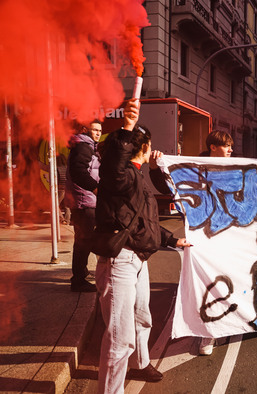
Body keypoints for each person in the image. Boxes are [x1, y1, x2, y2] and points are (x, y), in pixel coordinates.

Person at [94, 99, 191, 392]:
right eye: (149, 144)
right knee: (119, 336)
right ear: (144, 146)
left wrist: (172, 239)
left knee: (141, 317)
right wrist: (126, 128)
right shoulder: (119, 177)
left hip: (138, 259)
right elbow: (112, 169)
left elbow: (144, 223)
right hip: (120, 261)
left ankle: (141, 363)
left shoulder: (136, 177)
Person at [196, 129, 234, 356]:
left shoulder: (237, 166)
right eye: (226, 146)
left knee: (227, 279)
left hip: (228, 236)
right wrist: (155, 168)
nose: (231, 150)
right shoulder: (194, 167)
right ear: (212, 147)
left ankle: (227, 322)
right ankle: (207, 333)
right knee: (206, 283)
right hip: (204, 237)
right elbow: (169, 186)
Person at [65, 119, 102, 292]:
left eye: (100, 130)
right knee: (83, 241)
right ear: (86, 130)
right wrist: (95, 188)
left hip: (85, 200)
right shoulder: (83, 147)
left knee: (83, 240)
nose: (98, 133)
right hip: (84, 201)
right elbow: (78, 172)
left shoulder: (87, 146)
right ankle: (78, 280)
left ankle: (81, 274)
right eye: (95, 130)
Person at [56, 153, 71, 225]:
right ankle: (67, 220)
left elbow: (56, 180)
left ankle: (62, 219)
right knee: (67, 206)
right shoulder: (68, 168)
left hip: (60, 189)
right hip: (68, 188)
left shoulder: (57, 169)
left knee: (55, 205)